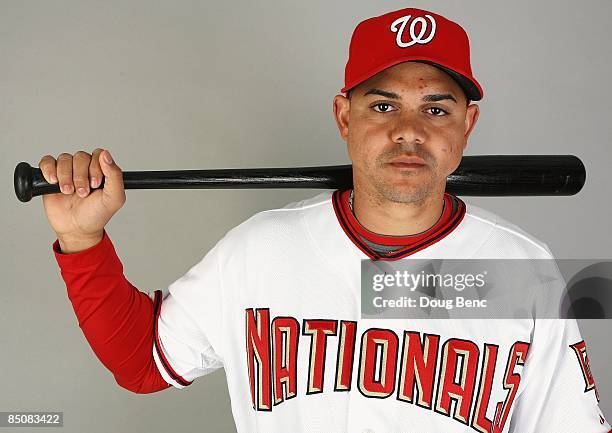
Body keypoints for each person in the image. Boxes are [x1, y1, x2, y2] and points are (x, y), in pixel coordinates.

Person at [38, 7, 609, 433]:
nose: (408, 130)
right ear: (343, 114)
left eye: (436, 108)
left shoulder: (520, 270)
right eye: (382, 105)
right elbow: (142, 361)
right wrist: (82, 238)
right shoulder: (260, 251)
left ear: (469, 124)